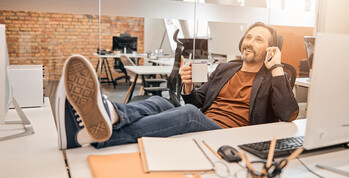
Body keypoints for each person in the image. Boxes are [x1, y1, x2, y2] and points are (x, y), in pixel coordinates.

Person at [55, 22, 299, 149]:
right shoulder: (227, 68)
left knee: (189, 115)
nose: (249, 42)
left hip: (231, 134)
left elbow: (287, 114)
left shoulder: (275, 76)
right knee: (162, 101)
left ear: (270, 48)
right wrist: (189, 86)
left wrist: (276, 66)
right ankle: (106, 119)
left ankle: (103, 128)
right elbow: (198, 102)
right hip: (207, 120)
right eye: (248, 36)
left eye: (258, 39)